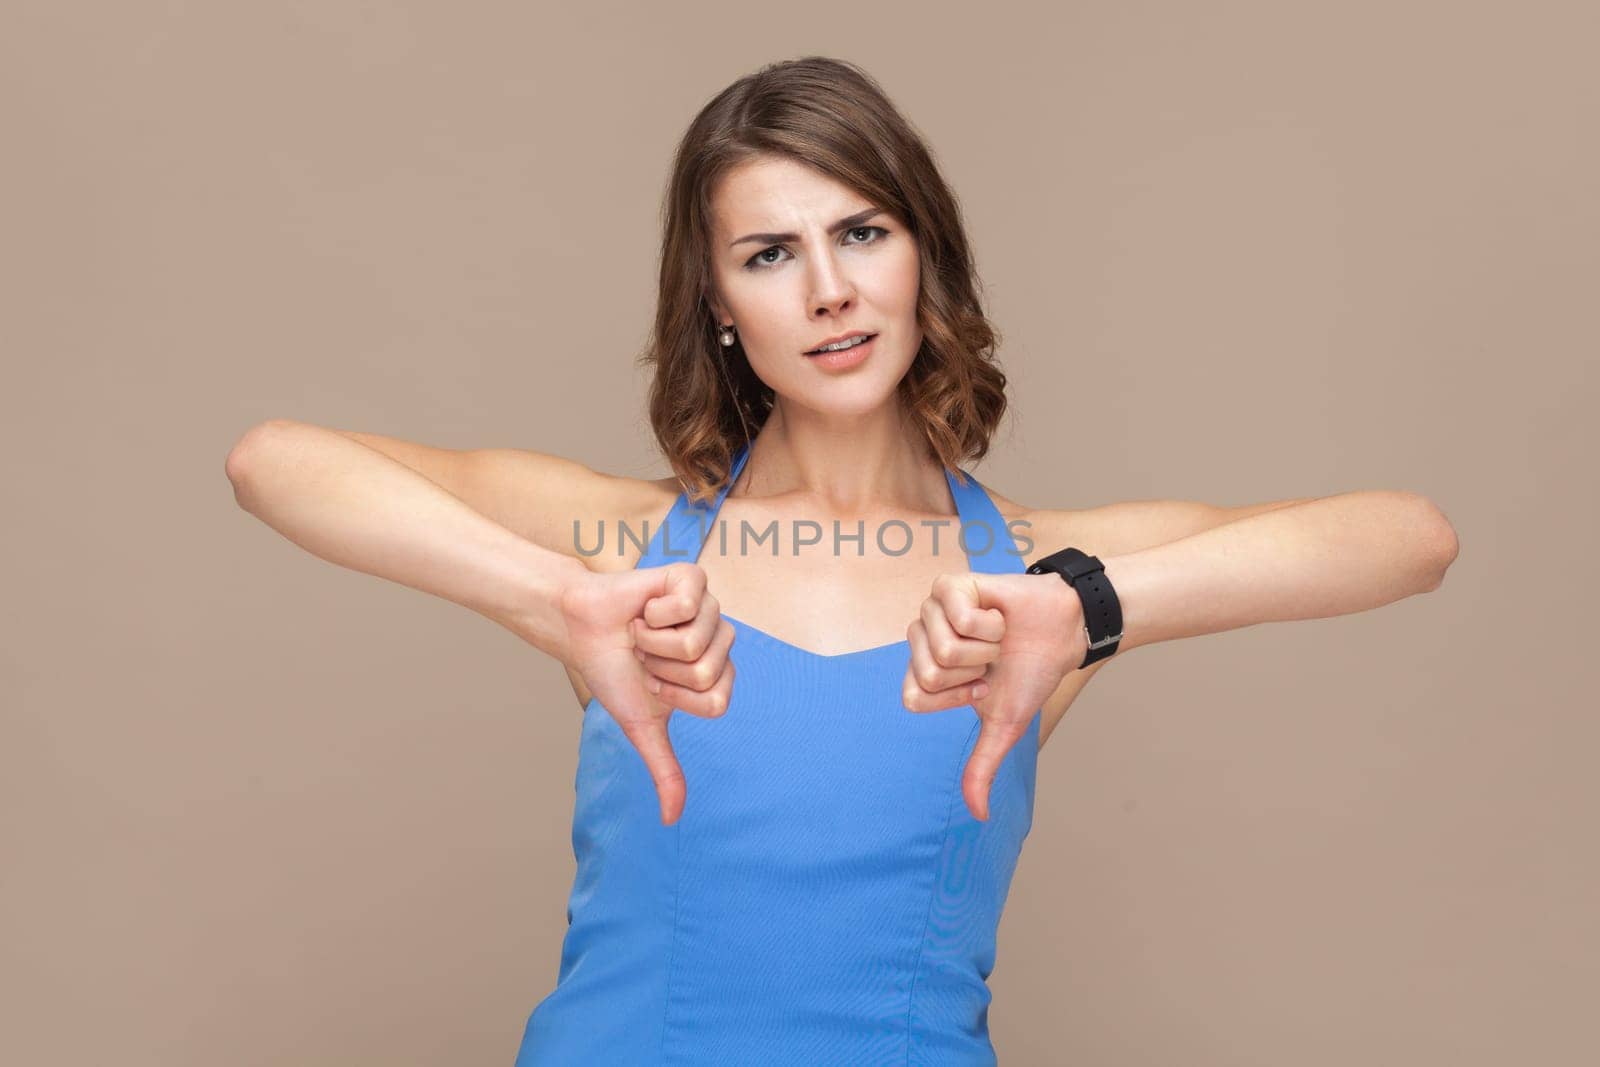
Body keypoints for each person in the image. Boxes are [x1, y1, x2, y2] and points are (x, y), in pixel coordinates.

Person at [225, 55, 1458, 1066]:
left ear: (922, 253)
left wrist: (1089, 607)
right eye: (768, 254)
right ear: (716, 299)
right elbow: (274, 459)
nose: (827, 291)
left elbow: (1407, 537)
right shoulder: (619, 547)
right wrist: (550, 599)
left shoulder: (1027, 575)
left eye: (861, 232)